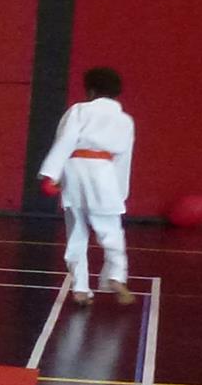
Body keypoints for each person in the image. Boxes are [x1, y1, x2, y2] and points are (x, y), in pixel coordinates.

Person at [39, 66, 136, 306]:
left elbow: (66, 140)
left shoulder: (79, 110)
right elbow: (123, 158)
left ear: (90, 91)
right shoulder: (125, 121)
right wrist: (120, 192)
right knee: (110, 230)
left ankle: (80, 288)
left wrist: (51, 173)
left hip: (75, 169)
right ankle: (117, 275)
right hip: (104, 172)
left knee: (76, 232)